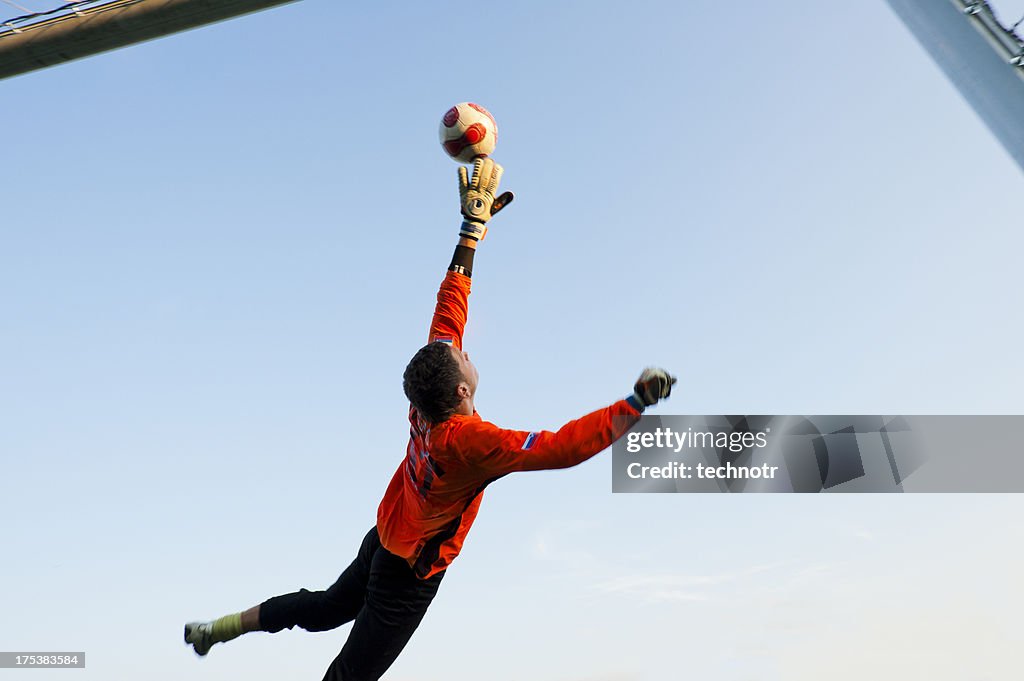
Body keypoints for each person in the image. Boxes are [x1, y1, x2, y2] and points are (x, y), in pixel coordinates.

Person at [184, 158, 676, 681]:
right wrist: (635, 403)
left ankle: (221, 628)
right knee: (349, 675)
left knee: (325, 607)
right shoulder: (469, 442)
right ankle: (225, 631)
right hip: (408, 573)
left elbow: (449, 310)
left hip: (383, 535)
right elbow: (563, 448)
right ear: (462, 389)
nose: (463, 350)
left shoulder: (425, 397)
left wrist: (472, 230)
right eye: (463, 357)